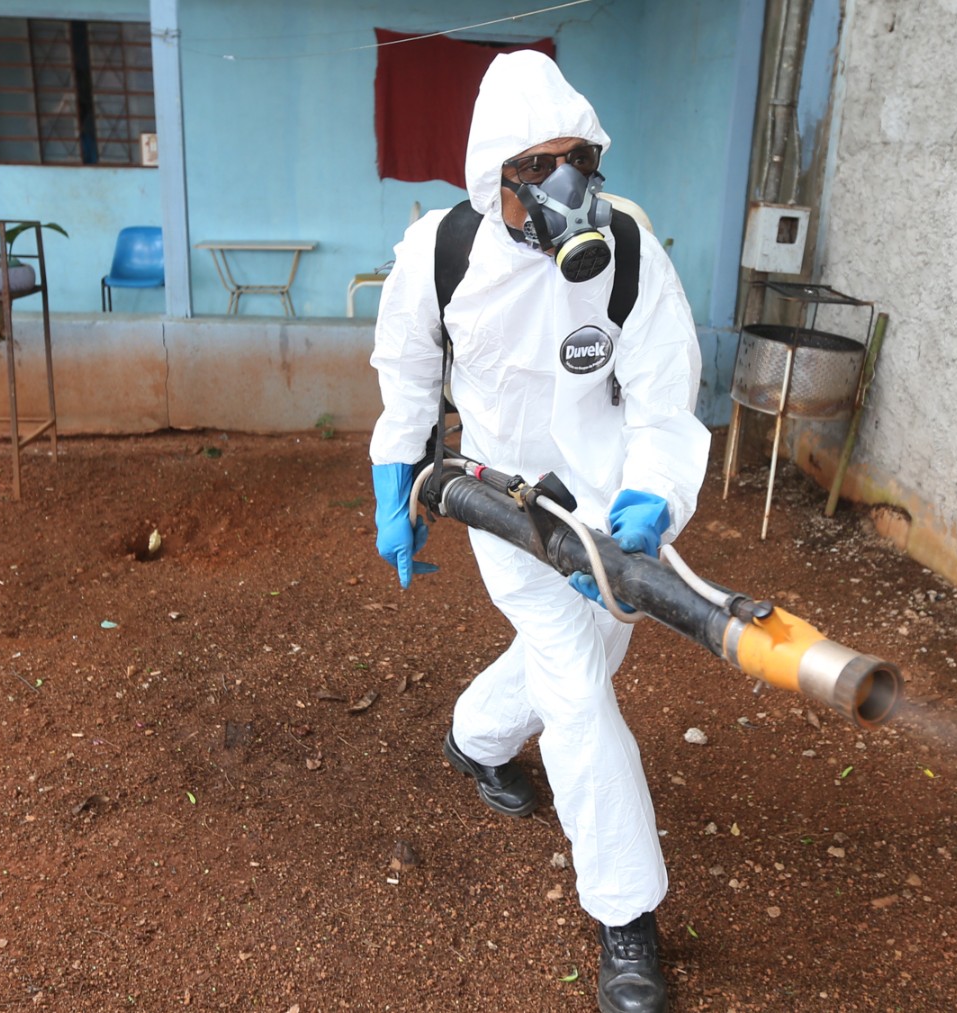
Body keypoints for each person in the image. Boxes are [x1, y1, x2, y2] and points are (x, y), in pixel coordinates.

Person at [368, 51, 708, 1013]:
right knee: (576, 685)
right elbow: (404, 379)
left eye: (578, 160)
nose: (567, 187)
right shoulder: (440, 255)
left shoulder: (628, 247)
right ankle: (627, 915)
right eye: (538, 166)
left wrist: (652, 497)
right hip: (504, 505)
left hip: (609, 504)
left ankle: (473, 737)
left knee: (595, 645)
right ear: (494, 178)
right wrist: (397, 487)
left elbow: (663, 401)